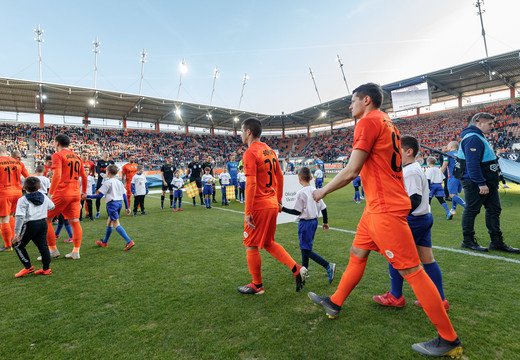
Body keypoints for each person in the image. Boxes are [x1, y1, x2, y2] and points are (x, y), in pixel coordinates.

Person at [308, 83, 462, 358]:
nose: (349, 106)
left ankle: (448, 338)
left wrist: (322, 191)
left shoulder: (367, 122)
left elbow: (352, 169)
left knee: (412, 270)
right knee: (357, 253)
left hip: (385, 208)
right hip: (375, 208)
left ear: (366, 100)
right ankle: (334, 302)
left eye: (352, 101)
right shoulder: (386, 121)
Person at [372, 135, 449, 310]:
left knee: (395, 257)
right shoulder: (411, 169)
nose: (394, 153)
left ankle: (396, 296)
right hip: (423, 218)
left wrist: (396, 216)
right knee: (427, 259)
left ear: (409, 151)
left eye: (398, 150)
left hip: (414, 220)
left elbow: (414, 199)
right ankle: (440, 300)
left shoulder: (411, 171)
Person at [237, 118, 307, 295]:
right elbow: (280, 177)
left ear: (249, 132)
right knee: (268, 243)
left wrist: (248, 212)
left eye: (241, 130)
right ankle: (296, 269)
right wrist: (279, 200)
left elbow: (251, 184)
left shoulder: (250, 153)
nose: (240, 134)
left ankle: (257, 285)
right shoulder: (270, 151)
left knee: (251, 245)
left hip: (259, 205)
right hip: (271, 204)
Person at [457, 112, 519, 253]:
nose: (493, 126)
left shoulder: (477, 136)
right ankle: (467, 241)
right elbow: (472, 164)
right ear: (479, 123)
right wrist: (480, 183)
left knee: (494, 210)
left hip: (487, 181)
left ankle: (496, 242)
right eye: (490, 124)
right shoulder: (473, 138)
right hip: (475, 182)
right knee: (472, 210)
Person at [281, 167, 335, 283]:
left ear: (299, 179)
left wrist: (282, 208)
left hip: (305, 223)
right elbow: (324, 208)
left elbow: (297, 211)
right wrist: (325, 222)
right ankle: (305, 270)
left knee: (305, 250)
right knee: (305, 247)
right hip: (314, 222)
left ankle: (328, 265)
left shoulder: (301, 193)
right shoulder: (315, 190)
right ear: (311, 178)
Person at [45, 134, 88, 260]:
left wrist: (50, 194)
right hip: (75, 193)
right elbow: (84, 177)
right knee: (75, 222)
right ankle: (75, 252)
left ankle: (52, 250)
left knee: (46, 219)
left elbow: (57, 175)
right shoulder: (77, 157)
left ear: (57, 143)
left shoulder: (57, 155)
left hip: (62, 192)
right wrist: (84, 192)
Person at [12, 177, 55, 277]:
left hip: (30, 224)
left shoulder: (22, 200)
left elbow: (19, 216)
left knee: (18, 245)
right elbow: (52, 206)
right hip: (42, 223)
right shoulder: (44, 197)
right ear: (39, 187)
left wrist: (17, 233)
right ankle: (46, 269)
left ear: (24, 187)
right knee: (43, 246)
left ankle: (28, 267)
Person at [88, 164, 135, 250]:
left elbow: (99, 196)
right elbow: (124, 195)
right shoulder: (119, 182)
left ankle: (129, 241)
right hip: (119, 203)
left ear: (108, 173)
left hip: (112, 204)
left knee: (116, 223)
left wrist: (88, 196)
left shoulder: (107, 182)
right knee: (109, 222)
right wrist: (127, 207)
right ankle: (104, 242)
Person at [0, 145, 29, 252]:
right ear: (5, 151)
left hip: (3, 193)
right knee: (12, 216)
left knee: (4, 219)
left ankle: (8, 245)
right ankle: (15, 239)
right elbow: (28, 177)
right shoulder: (17, 162)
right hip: (17, 193)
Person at [440, 141, 466, 218]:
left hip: (452, 177)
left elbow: (444, 165)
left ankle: (466, 206)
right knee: (455, 194)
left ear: (451, 147)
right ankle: (453, 209)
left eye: (448, 146)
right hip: (461, 177)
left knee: (451, 195)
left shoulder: (447, 154)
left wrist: (439, 175)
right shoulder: (461, 154)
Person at [95, 152, 114, 218]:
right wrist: (101, 174)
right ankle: (98, 212)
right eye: (105, 153)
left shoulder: (111, 162)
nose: (106, 154)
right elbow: (97, 169)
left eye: (107, 153)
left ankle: (109, 212)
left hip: (109, 182)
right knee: (98, 197)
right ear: (102, 155)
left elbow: (117, 169)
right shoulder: (99, 162)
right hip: (100, 182)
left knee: (110, 197)